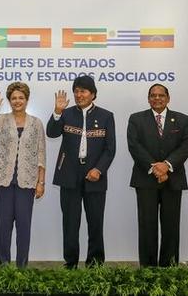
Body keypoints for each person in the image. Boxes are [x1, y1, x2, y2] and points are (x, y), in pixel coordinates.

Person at [46, 75, 115, 269]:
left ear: (93, 94)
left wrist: (98, 170)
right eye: (76, 91)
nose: (79, 94)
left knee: (95, 223)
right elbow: (51, 133)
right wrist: (57, 113)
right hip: (69, 176)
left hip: (95, 177)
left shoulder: (106, 116)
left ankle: (95, 263)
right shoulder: (66, 113)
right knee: (70, 223)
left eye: (83, 91)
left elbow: (110, 149)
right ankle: (71, 263)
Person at [0, 82, 46, 268]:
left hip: (27, 181)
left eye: (21, 98)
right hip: (4, 180)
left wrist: (40, 182)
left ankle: (22, 266)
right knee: (4, 225)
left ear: (26, 99)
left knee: (24, 226)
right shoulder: (2, 119)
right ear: (9, 100)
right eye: (14, 98)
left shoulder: (36, 123)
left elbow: (41, 153)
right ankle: (3, 264)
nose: (17, 101)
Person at [127, 84, 188, 267]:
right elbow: (134, 145)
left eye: (161, 95)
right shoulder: (136, 119)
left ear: (168, 98)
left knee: (171, 227)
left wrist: (167, 166)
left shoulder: (182, 120)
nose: (157, 98)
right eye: (153, 95)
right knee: (147, 227)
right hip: (145, 179)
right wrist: (155, 167)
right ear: (148, 99)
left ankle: (169, 269)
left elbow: (185, 147)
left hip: (173, 179)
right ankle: (148, 269)